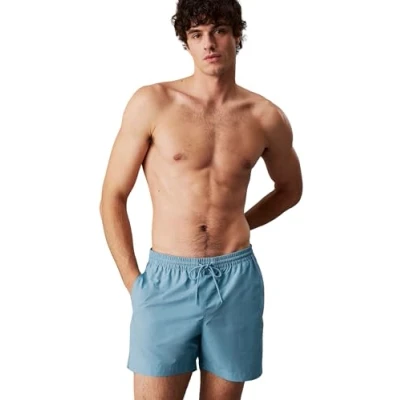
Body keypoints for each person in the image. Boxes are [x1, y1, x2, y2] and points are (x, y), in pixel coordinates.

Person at [100, 0, 302, 398]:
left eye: (219, 31)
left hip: (236, 279)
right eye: (197, 34)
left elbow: (290, 189)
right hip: (166, 281)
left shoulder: (265, 116)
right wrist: (134, 284)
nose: (208, 43)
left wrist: (241, 222)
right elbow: (113, 196)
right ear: (186, 42)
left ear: (237, 36)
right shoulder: (153, 103)